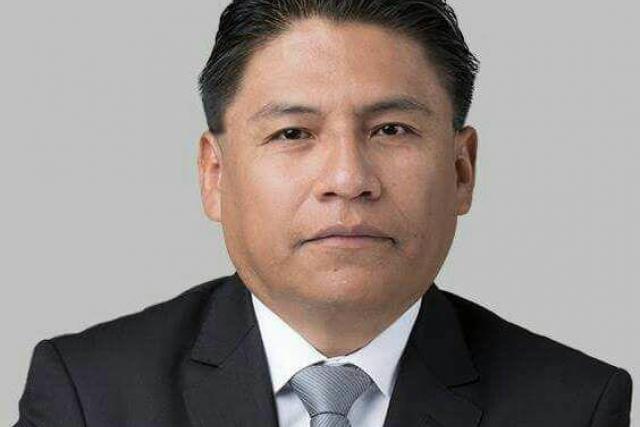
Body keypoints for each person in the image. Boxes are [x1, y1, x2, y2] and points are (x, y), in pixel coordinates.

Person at [13, 0, 633, 426]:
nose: (347, 180)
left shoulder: (574, 405)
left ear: (461, 170)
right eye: (292, 133)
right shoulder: (89, 395)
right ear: (215, 174)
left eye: (391, 129)